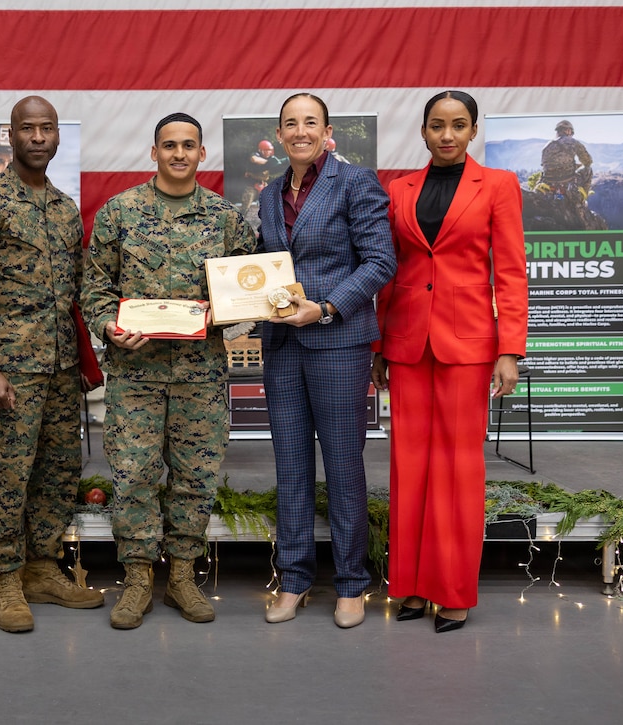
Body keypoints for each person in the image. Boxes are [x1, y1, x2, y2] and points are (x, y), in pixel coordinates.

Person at [82, 112, 256, 630]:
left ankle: (181, 575)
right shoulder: (120, 213)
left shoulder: (226, 220)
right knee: (133, 476)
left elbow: (248, 290)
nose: (179, 154)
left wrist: (224, 312)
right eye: (169, 145)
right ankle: (137, 578)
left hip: (200, 374)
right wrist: (109, 326)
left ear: (203, 154)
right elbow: (93, 287)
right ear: (153, 152)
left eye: (188, 146)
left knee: (193, 479)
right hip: (135, 373)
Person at [371, 90, 528, 633]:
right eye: (437, 125)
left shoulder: (500, 186)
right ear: (422, 131)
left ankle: (454, 590)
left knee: (460, 469)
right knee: (407, 465)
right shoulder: (399, 189)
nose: (446, 134)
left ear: (473, 131)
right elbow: (387, 269)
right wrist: (378, 347)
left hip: (469, 345)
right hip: (407, 341)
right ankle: (412, 587)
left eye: (458, 125)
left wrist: (509, 349)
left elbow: (509, 272)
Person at [0, 96, 104, 634]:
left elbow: (79, 294)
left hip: (62, 368)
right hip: (11, 369)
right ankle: (6, 577)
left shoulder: (64, 209)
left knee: (59, 473)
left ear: (57, 136)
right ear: (10, 137)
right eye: (27, 128)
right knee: (10, 477)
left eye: (47, 128)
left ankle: (41, 566)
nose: (38, 137)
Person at [257, 93, 396, 628]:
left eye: (309, 122)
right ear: (280, 132)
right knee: (290, 468)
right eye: (290, 123)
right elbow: (263, 266)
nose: (299, 131)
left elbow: (381, 260)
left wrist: (328, 307)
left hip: (338, 342)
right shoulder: (271, 194)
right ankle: (292, 581)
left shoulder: (356, 182)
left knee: (342, 466)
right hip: (282, 348)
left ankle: (351, 584)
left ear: (327, 130)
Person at [540, 119, 593, 205]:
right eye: (571, 133)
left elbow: (548, 165)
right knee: (588, 169)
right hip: (567, 180)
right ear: (568, 130)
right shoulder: (573, 142)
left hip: (548, 181)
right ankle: (582, 199)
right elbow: (588, 161)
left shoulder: (547, 145)